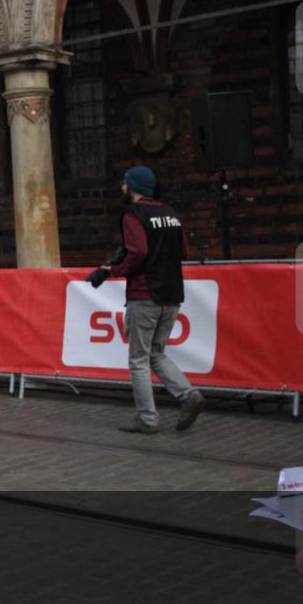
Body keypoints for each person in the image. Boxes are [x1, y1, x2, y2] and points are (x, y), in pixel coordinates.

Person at [100, 166, 205, 434]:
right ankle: (188, 394)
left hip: (145, 293)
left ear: (133, 187)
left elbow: (138, 252)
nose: (122, 187)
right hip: (172, 293)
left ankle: (147, 419)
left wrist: (116, 270)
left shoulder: (132, 214)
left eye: (124, 183)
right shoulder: (170, 213)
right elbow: (183, 249)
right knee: (156, 353)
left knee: (138, 359)